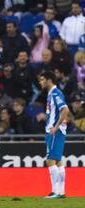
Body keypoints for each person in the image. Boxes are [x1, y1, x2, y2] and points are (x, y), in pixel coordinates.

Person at [38, 71, 69, 199]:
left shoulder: (55, 93)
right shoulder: (52, 93)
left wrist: (55, 127)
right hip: (55, 131)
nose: (41, 82)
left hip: (54, 132)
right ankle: (61, 192)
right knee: (58, 161)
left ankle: (55, 192)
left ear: (49, 80)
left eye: (42, 79)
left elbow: (65, 109)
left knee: (50, 160)